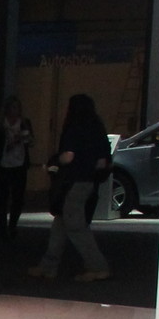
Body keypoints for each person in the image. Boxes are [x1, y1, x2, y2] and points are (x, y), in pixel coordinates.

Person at [33, 92, 112, 282]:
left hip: (73, 182)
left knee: (75, 226)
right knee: (61, 223)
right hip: (89, 182)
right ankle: (48, 266)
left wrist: (55, 162)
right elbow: (102, 162)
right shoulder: (98, 128)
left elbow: (68, 156)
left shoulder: (74, 128)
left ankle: (97, 266)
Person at [0, 96, 33, 242]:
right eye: (13, 107)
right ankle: (2, 230)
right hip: (2, 165)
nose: (16, 111)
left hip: (19, 164)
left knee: (18, 198)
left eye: (17, 107)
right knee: (1, 198)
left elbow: (30, 142)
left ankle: (12, 225)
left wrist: (24, 139)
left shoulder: (25, 124)